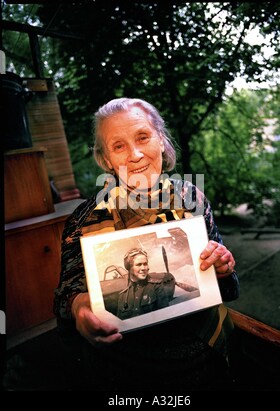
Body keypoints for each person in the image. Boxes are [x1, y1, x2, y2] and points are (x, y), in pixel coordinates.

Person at [54, 97, 239, 391]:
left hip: (207, 355)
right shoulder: (83, 221)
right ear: (105, 160)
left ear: (162, 141)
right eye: (119, 146)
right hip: (128, 372)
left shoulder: (192, 198)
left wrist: (223, 268)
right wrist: (80, 311)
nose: (136, 154)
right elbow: (67, 297)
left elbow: (228, 289)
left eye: (143, 137)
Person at [117, 248, 175, 320]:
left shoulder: (156, 287)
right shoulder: (122, 296)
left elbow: (166, 317)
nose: (143, 268)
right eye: (139, 265)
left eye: (145, 264)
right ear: (129, 268)